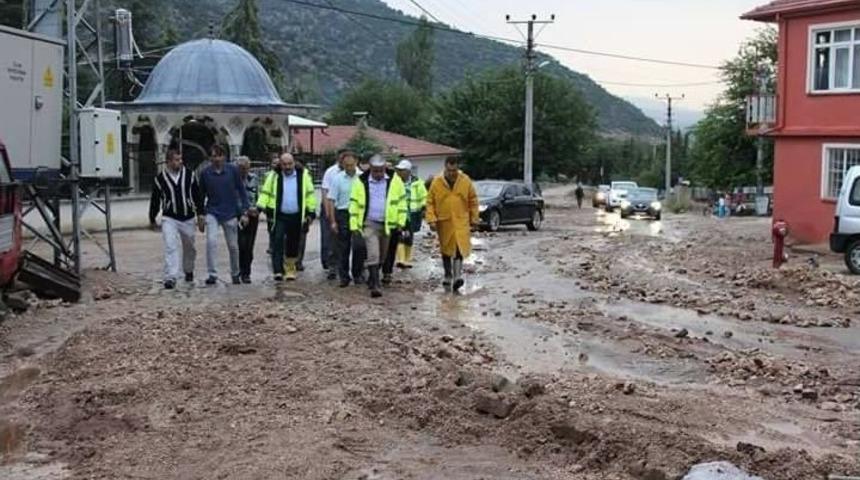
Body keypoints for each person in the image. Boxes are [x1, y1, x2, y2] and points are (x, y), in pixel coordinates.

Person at [349, 154, 407, 298]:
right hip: (369, 223)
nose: (378, 174)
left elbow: (401, 202)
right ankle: (375, 284)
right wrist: (354, 225)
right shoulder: (360, 182)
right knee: (373, 253)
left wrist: (401, 222)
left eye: (381, 170)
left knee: (382, 255)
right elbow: (354, 204)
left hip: (387, 223)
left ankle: (372, 277)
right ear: (370, 168)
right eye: (375, 171)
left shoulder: (395, 181)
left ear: (385, 168)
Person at [149, 148, 203, 289]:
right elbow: (155, 200)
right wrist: (152, 217)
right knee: (170, 246)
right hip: (169, 217)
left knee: (189, 247)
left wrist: (201, 213)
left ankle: (188, 269)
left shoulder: (190, 175)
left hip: (188, 217)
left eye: (180, 159)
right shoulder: (160, 179)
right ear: (168, 162)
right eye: (176, 160)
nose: (180, 162)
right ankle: (171, 276)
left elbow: (197, 196)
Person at [257, 153, 316, 281]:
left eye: (290, 164)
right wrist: (259, 207)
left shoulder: (303, 176)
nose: (287, 167)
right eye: (284, 164)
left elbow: (310, 194)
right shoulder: (273, 176)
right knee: (277, 241)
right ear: (280, 164)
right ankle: (277, 270)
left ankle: (290, 269)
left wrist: (311, 212)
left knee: (293, 243)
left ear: (294, 163)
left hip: (296, 215)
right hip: (279, 215)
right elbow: (265, 193)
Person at [426, 156, 479, 292]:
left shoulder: (465, 181)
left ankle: (457, 276)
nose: (451, 173)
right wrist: (431, 219)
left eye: (454, 171)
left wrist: (474, 219)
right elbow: (430, 202)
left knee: (458, 248)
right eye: (449, 170)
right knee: (446, 249)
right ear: (445, 167)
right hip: (444, 221)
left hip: (461, 220)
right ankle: (448, 275)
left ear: (458, 168)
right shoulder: (437, 182)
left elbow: (472, 200)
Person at [198, 145, 249, 285]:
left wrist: (244, 211)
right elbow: (200, 195)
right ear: (210, 158)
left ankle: (235, 273)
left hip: (230, 212)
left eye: (219, 156)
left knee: (233, 246)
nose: (217, 159)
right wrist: (200, 214)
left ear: (224, 157)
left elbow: (241, 190)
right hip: (212, 211)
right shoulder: (205, 173)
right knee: (211, 242)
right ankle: (212, 273)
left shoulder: (233, 171)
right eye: (214, 156)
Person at [326, 150, 363, 287]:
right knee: (343, 247)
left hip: (359, 214)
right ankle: (344, 276)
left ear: (356, 162)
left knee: (359, 246)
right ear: (342, 164)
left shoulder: (362, 177)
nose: (349, 168)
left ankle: (357, 274)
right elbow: (331, 200)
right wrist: (333, 221)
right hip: (343, 213)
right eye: (346, 165)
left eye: (351, 165)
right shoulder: (338, 179)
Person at [384, 159, 427, 273]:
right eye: (398, 170)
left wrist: (423, 208)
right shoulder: (395, 182)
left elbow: (424, 196)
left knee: (409, 236)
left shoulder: (417, 182)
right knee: (400, 235)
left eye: (401, 170)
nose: (399, 172)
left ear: (408, 171)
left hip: (412, 213)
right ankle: (401, 260)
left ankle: (407, 259)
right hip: (399, 213)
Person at [320, 153, 344, 279]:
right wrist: (328, 212)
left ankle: (343, 265)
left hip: (346, 210)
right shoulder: (331, 172)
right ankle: (331, 265)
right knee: (330, 239)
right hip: (331, 207)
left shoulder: (356, 172)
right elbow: (325, 192)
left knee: (344, 241)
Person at [236, 156, 259, 284]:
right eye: (240, 168)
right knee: (240, 244)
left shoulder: (254, 178)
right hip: (238, 216)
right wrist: (243, 211)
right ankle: (240, 270)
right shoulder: (233, 180)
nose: (243, 170)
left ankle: (246, 272)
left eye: (245, 168)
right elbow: (233, 199)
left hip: (252, 216)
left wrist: (257, 209)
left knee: (249, 246)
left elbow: (258, 195)